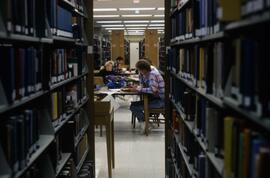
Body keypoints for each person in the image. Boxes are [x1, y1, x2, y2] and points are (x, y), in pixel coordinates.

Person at [129, 59, 165, 133]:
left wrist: (139, 89)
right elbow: (145, 85)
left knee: (134, 107)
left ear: (144, 69)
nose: (139, 72)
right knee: (133, 105)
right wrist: (140, 83)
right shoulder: (146, 73)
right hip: (154, 98)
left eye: (139, 70)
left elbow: (152, 90)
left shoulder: (153, 74)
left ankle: (146, 123)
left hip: (160, 101)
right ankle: (146, 122)